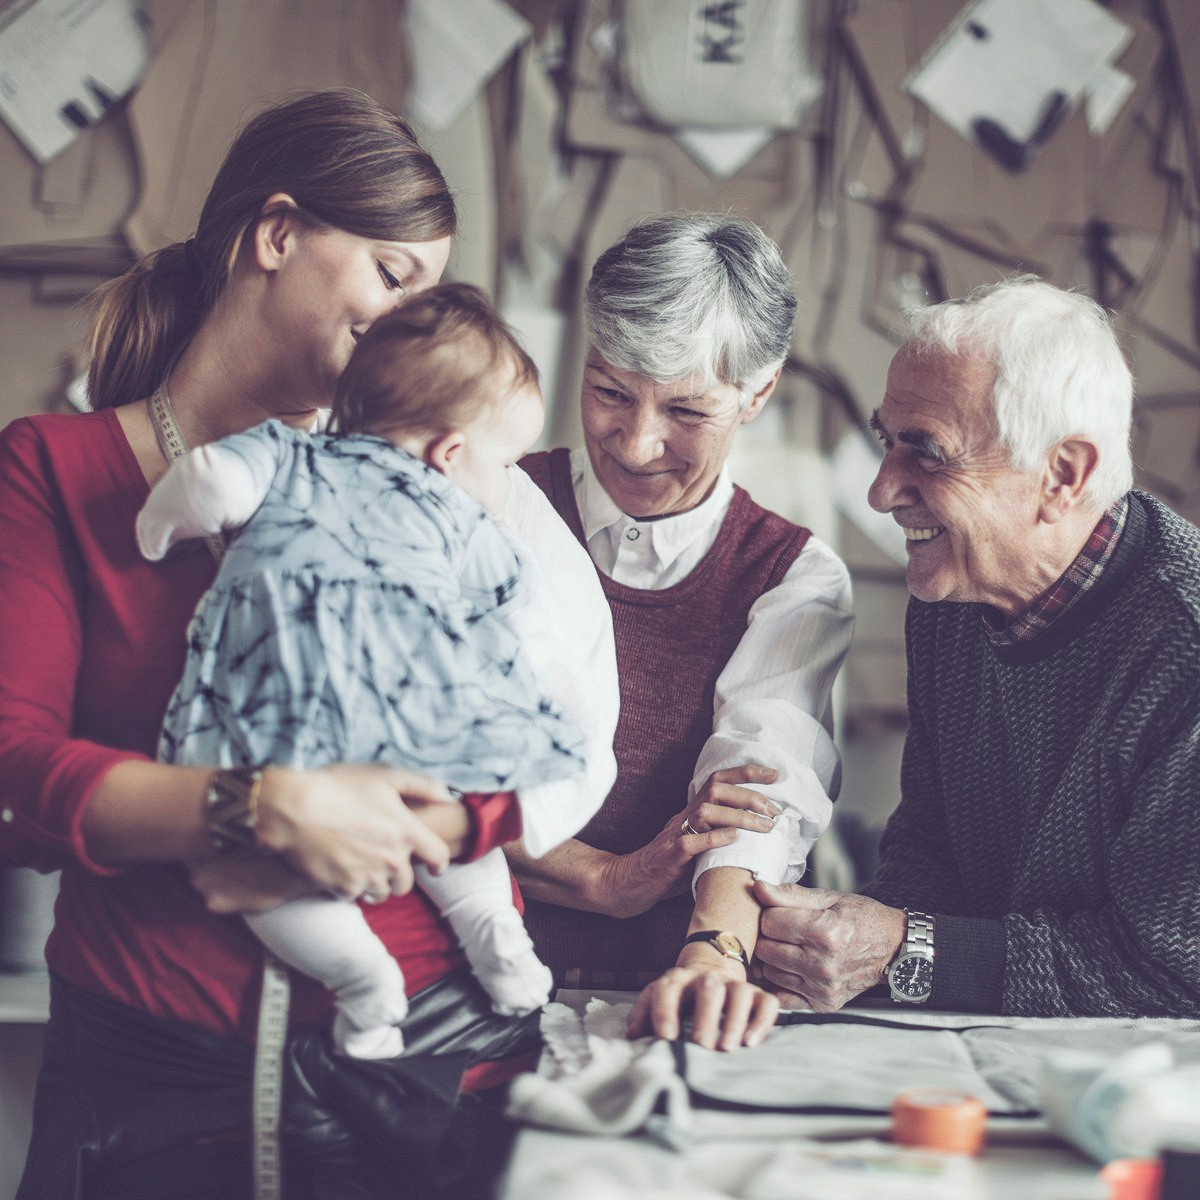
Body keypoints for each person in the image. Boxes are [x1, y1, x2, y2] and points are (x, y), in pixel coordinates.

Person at [0, 89, 615, 1200]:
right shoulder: (56, 468)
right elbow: (16, 761)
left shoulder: (462, 480)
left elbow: (561, 751)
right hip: (154, 1084)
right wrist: (257, 806)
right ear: (276, 236)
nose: (413, 325)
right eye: (394, 277)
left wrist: (441, 821)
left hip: (436, 1065)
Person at [136, 283, 615, 1061]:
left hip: (273, 723)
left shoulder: (291, 457)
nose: (507, 479)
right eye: (507, 461)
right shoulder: (468, 520)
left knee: (264, 884)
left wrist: (156, 533)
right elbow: (521, 612)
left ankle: (364, 987)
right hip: (407, 720)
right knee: (453, 836)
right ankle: (496, 937)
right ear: (451, 453)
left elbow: (210, 485)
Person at [753, 275, 1200, 1019]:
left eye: (927, 453)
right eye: (885, 442)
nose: (881, 490)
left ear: (1063, 475)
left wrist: (904, 951)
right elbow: (930, 849)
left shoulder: (1184, 649)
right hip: (994, 1053)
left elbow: (1174, 978)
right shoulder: (954, 592)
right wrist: (842, 949)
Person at [508, 213, 855, 1051]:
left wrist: (713, 952)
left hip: (656, 1000)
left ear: (758, 393)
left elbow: (758, 783)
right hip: (457, 969)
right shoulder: (492, 503)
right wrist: (604, 882)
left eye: (687, 409)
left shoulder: (793, 575)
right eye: (609, 392)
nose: (636, 442)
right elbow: (422, 764)